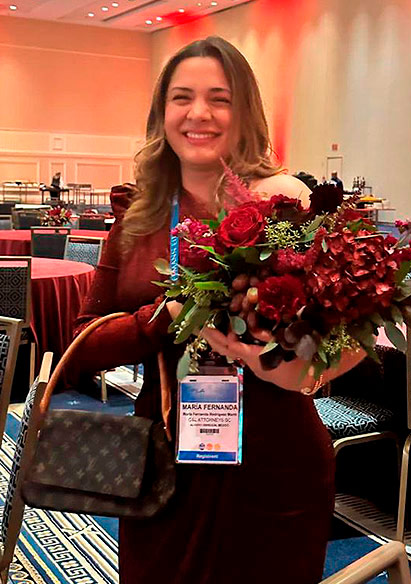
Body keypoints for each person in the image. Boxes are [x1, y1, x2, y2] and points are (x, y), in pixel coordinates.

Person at [73, 37, 365, 584]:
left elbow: (354, 337)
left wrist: (290, 369)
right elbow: (79, 346)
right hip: (163, 457)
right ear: (162, 112)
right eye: (182, 97)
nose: (199, 113)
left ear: (245, 110)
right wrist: (163, 316)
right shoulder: (138, 217)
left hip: (274, 461)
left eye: (220, 98)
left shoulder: (286, 205)